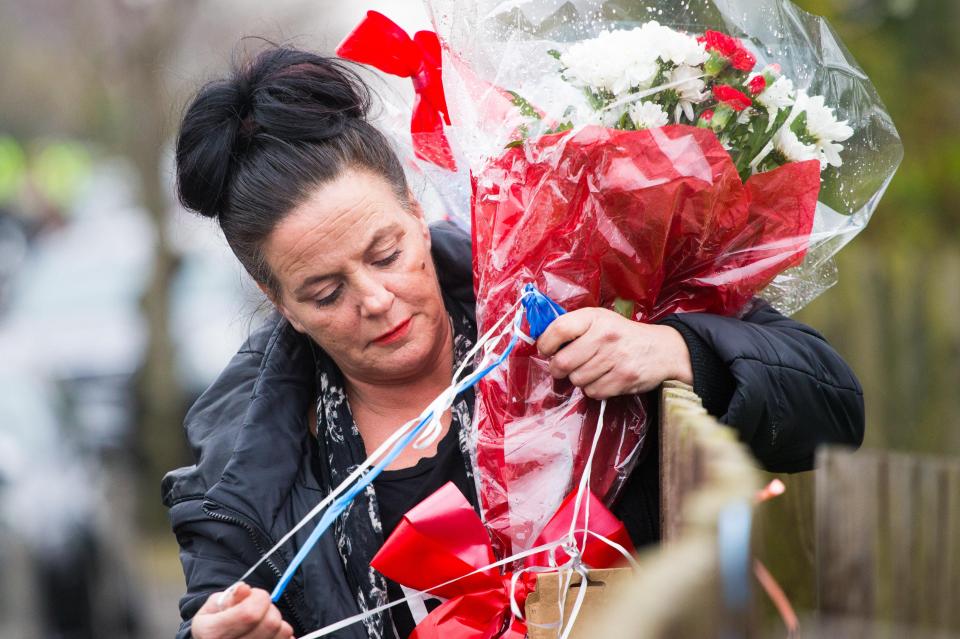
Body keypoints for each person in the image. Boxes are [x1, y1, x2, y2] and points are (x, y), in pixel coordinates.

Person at [162, 46, 865, 639]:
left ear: (416, 207)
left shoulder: (564, 280)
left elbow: (833, 407)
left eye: (384, 253)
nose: (374, 300)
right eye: (325, 292)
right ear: (277, 301)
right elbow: (211, 610)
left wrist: (678, 350)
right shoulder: (242, 468)